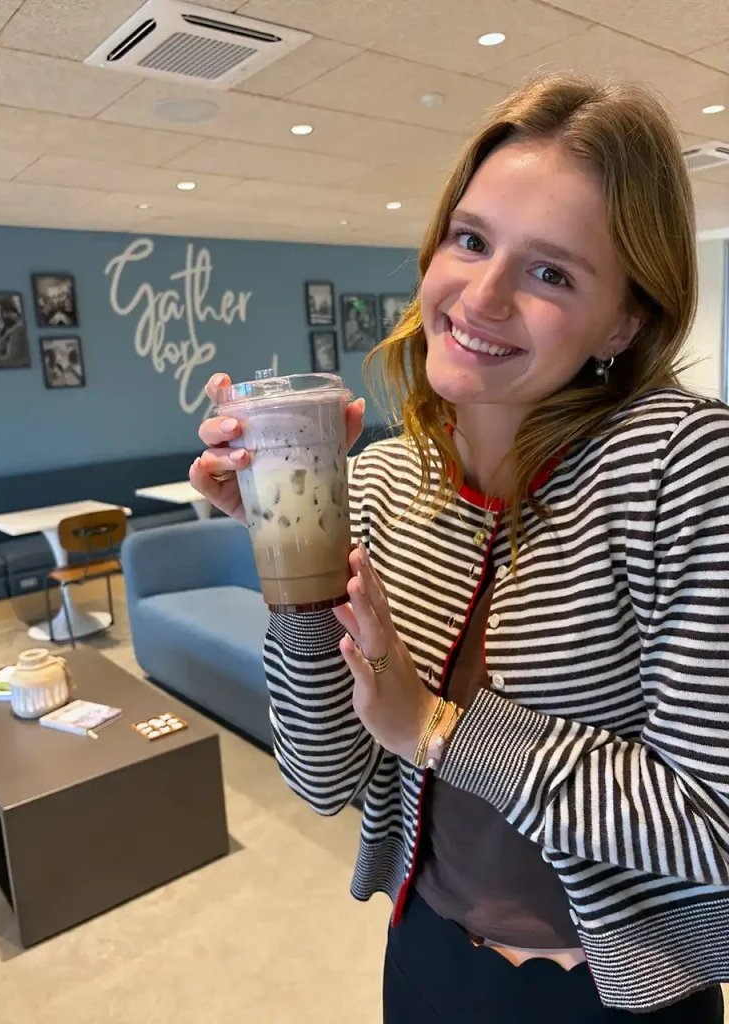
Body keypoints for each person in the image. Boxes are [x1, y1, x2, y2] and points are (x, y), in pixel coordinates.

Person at [191, 73, 729, 1022]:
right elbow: (326, 782)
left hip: (605, 992)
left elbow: (715, 824)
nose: (480, 297)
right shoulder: (391, 479)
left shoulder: (683, 468)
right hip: (427, 948)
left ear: (626, 319)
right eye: (471, 240)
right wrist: (292, 555)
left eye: (551, 271)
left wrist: (438, 730)